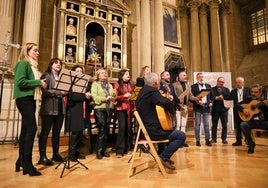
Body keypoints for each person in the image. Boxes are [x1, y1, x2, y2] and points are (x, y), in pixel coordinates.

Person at [136, 72, 186, 170]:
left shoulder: (144, 91)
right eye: (158, 82)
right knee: (181, 135)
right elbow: (166, 102)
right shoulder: (152, 92)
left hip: (145, 129)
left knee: (165, 129)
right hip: (152, 131)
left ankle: (162, 154)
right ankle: (163, 157)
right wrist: (171, 110)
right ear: (154, 83)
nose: (160, 84)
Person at [14, 42, 47, 176]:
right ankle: (27, 164)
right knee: (32, 128)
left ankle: (21, 160)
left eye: (38, 51)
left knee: (25, 130)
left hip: (30, 98)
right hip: (24, 98)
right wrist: (39, 82)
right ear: (27, 52)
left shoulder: (33, 67)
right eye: (35, 51)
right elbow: (20, 81)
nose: (38, 53)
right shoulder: (23, 64)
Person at [38, 58, 66, 166]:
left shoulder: (62, 78)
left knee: (57, 132)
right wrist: (59, 92)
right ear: (51, 65)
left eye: (60, 63)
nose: (58, 64)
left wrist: (65, 92)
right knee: (45, 132)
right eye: (56, 62)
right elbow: (44, 91)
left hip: (60, 108)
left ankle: (55, 153)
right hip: (49, 109)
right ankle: (42, 156)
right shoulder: (47, 75)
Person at [65, 66, 92, 161]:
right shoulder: (71, 83)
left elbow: (89, 96)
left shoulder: (86, 83)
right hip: (75, 109)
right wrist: (85, 96)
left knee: (80, 131)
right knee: (75, 132)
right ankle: (71, 153)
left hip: (84, 109)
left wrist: (89, 96)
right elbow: (73, 97)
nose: (80, 72)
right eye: (77, 71)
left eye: (81, 71)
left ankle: (77, 151)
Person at [91, 69, 117, 159]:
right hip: (99, 108)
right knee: (102, 128)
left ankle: (104, 150)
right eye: (102, 73)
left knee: (106, 129)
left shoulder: (109, 85)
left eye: (106, 73)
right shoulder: (95, 84)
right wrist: (105, 98)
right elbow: (94, 97)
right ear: (98, 75)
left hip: (109, 108)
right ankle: (98, 151)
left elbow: (113, 97)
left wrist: (114, 95)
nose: (105, 74)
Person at [173, 71, 200, 147]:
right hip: (178, 107)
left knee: (184, 125)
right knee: (178, 125)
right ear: (179, 77)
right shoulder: (175, 85)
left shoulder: (188, 86)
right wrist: (178, 104)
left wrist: (197, 98)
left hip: (185, 107)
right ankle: (176, 142)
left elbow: (191, 96)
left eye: (186, 75)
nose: (186, 76)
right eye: (184, 75)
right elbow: (174, 96)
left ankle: (182, 141)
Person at [239, 84, 268, 154]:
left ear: (260, 93)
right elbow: (237, 105)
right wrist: (243, 110)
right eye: (252, 92)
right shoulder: (249, 99)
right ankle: (251, 144)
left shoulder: (265, 100)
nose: (253, 94)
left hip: (264, 122)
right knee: (243, 124)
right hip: (252, 122)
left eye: (255, 92)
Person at [113, 70, 135, 158]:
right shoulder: (117, 84)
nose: (128, 76)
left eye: (129, 74)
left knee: (129, 128)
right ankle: (119, 150)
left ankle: (128, 147)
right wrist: (123, 96)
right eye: (126, 74)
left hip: (130, 108)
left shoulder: (132, 84)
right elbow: (115, 97)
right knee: (122, 127)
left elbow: (134, 94)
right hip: (120, 108)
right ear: (122, 76)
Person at [191, 73, 213, 147]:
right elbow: (191, 98)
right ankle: (198, 140)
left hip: (206, 107)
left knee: (206, 124)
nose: (201, 78)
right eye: (200, 77)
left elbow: (212, 96)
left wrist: (211, 102)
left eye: (202, 77)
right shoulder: (193, 87)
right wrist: (197, 102)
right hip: (198, 108)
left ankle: (207, 140)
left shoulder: (208, 86)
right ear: (197, 78)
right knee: (197, 124)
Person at [229, 77, 251, 146]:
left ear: (243, 82)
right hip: (236, 110)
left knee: (246, 125)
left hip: (246, 110)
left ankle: (248, 140)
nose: (237, 84)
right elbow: (229, 99)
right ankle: (238, 141)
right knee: (237, 126)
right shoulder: (233, 91)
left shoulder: (248, 90)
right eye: (236, 82)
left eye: (239, 82)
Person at [210, 76, 230, 144]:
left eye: (223, 82)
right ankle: (213, 139)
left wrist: (223, 98)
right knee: (214, 125)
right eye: (220, 82)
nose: (221, 83)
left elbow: (229, 98)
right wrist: (216, 98)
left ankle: (224, 139)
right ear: (217, 81)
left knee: (224, 125)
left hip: (224, 110)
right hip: (215, 109)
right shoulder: (212, 89)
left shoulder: (227, 89)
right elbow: (211, 97)